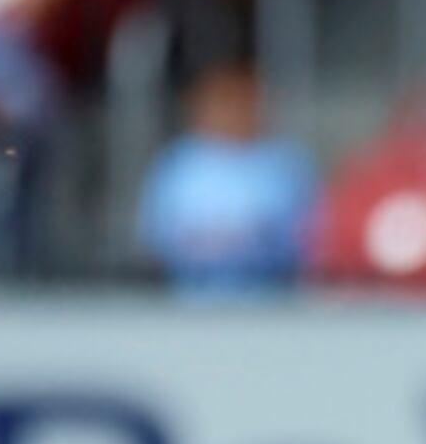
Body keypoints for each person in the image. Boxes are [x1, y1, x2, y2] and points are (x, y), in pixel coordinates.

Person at [135, 63, 319, 293]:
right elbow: (157, 236)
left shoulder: (285, 164)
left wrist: (250, 242)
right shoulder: (177, 163)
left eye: (244, 103)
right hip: (190, 306)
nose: (234, 112)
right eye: (224, 103)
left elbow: (306, 238)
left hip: (270, 305)